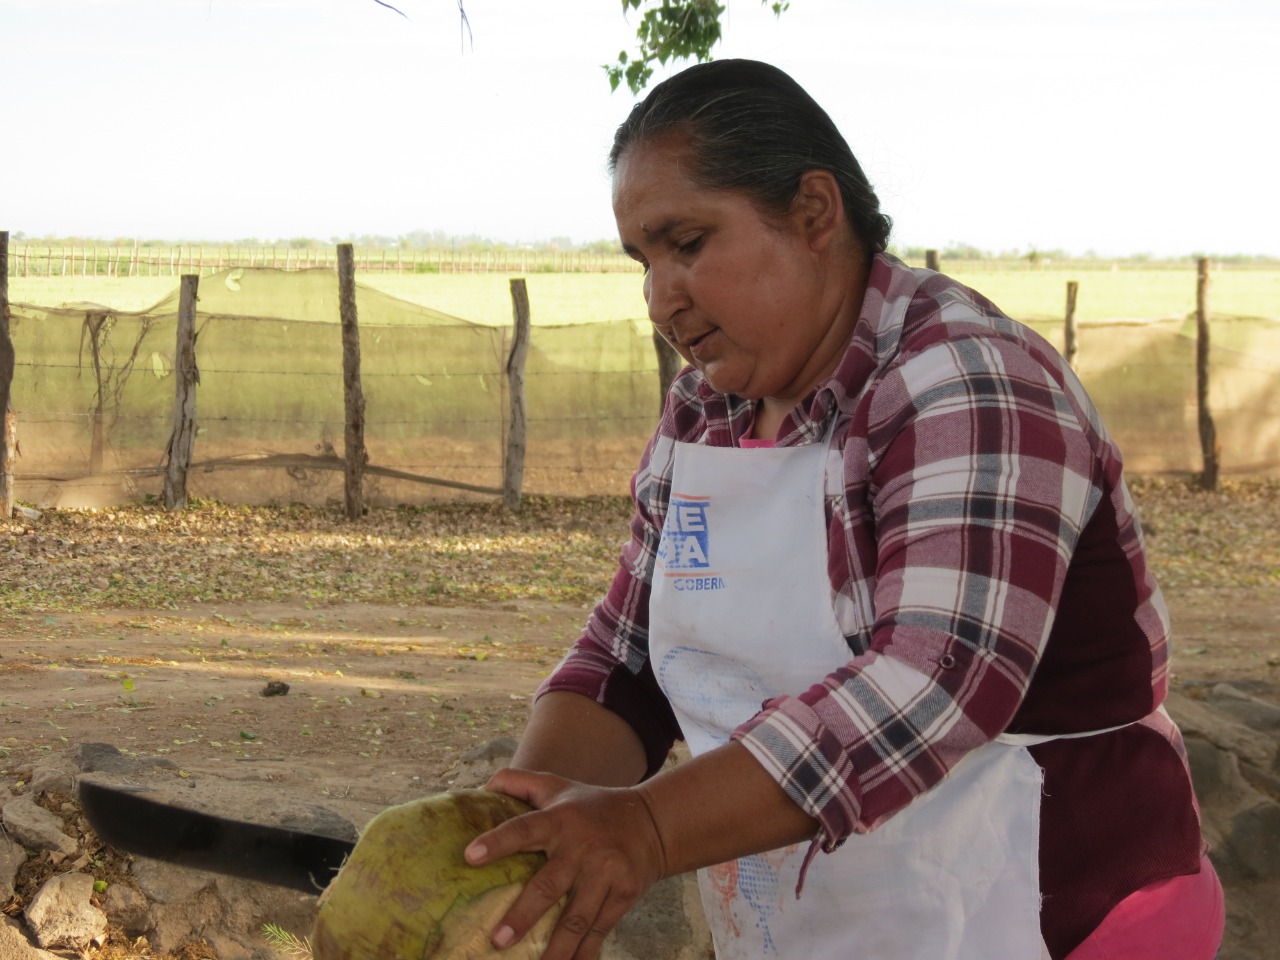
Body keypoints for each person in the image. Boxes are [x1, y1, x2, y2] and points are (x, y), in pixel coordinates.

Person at [463, 59, 1225, 960]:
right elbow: (625, 655)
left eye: (689, 243)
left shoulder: (967, 382)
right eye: (644, 260)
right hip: (834, 927)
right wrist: (523, 828)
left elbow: (931, 684)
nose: (661, 297)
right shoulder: (707, 408)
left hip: (1051, 912)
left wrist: (645, 831)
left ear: (816, 213)